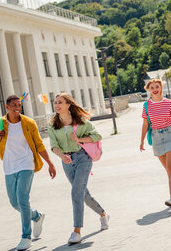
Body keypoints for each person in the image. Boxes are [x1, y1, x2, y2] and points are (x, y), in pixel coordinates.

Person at [0, 95, 56, 251]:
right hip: (9, 167)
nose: (17, 108)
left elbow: (39, 144)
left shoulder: (28, 123)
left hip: (26, 164)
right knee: (14, 202)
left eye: (19, 105)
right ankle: (36, 216)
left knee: (22, 199)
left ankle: (26, 237)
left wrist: (50, 163)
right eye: (13, 105)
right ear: (7, 107)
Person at [48, 93, 110, 245]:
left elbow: (97, 136)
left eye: (60, 102)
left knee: (76, 192)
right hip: (66, 161)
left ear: (68, 105)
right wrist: (62, 156)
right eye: (55, 102)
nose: (57, 105)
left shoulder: (81, 122)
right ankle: (103, 214)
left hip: (83, 158)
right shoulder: (52, 125)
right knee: (83, 195)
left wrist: (80, 139)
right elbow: (53, 146)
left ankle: (76, 232)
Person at [140, 79, 171, 209]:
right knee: (169, 170)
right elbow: (145, 124)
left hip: (170, 136)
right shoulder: (146, 106)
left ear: (161, 88)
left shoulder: (169, 103)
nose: (155, 89)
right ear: (148, 90)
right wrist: (142, 140)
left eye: (157, 86)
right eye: (152, 87)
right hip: (156, 138)